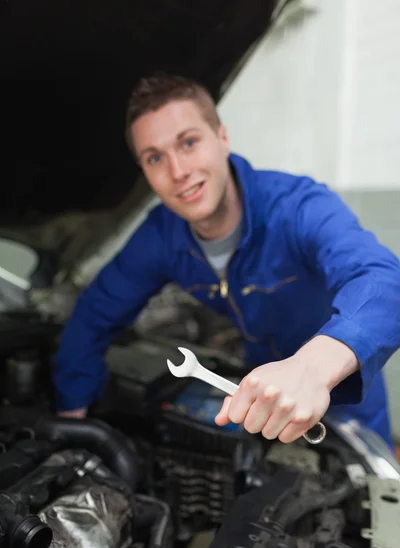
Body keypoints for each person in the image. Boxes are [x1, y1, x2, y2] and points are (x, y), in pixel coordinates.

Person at [53, 73, 400, 448]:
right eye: (155, 157)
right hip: (259, 392)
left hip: (344, 391)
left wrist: (312, 368)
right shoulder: (160, 237)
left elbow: (382, 280)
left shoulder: (296, 206)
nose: (178, 172)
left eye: (188, 142)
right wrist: (73, 412)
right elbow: (94, 314)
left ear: (222, 138)